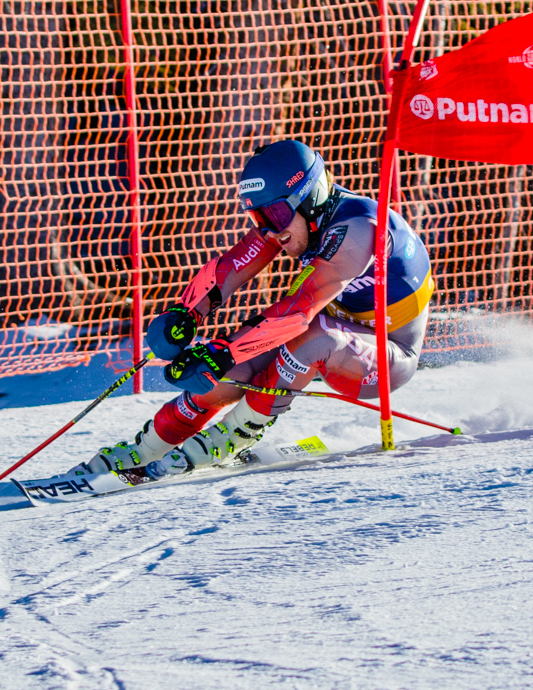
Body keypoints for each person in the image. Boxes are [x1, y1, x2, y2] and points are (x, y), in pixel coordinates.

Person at [71, 139, 432, 481]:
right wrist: (186, 314)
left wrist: (222, 352)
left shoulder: (358, 228)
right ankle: (147, 448)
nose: (268, 231)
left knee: (308, 336)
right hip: (331, 330)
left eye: (274, 214)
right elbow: (233, 267)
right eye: (257, 217)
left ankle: (233, 435)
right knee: (234, 369)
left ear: (310, 197)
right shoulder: (294, 222)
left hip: (386, 359)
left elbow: (298, 310)